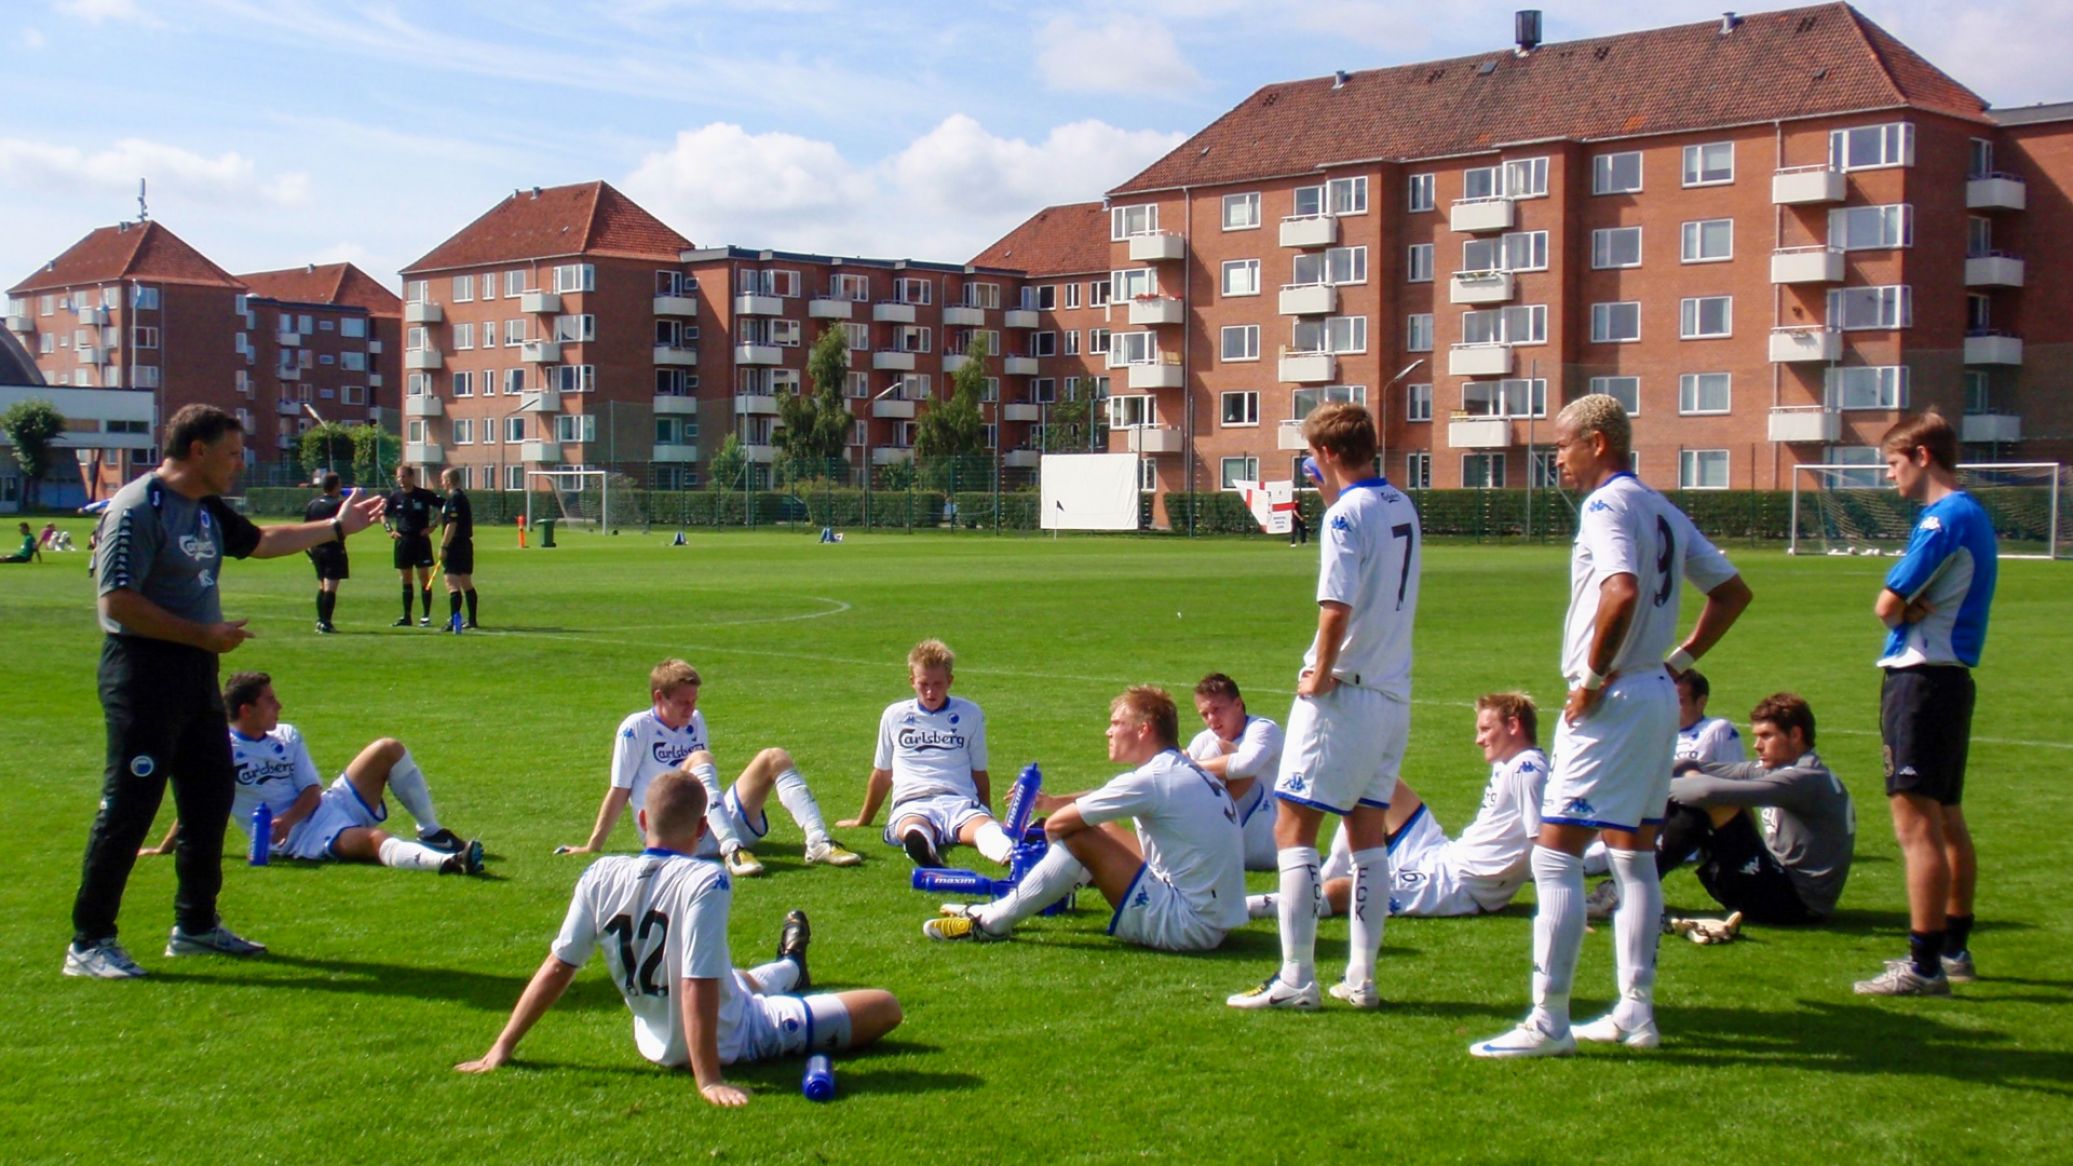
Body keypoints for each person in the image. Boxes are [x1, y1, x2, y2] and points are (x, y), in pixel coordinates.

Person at [1470, 394, 1750, 1057]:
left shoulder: (1606, 505)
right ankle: (1635, 1010)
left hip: (1614, 701)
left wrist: (1591, 680)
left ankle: (1548, 1019)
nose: (1555, 460)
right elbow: (1732, 591)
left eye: (1561, 447)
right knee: (1631, 853)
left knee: (1554, 853)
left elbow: (1619, 589)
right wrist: (1676, 662)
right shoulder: (1660, 505)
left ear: (1597, 442)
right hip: (1654, 693)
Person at [64, 403, 385, 979]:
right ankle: (89, 942)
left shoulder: (206, 507)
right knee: (129, 807)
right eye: (233, 453)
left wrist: (337, 527)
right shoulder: (138, 507)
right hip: (142, 675)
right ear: (197, 451)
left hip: (194, 676)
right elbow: (116, 603)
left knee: (209, 799)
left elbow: (261, 542)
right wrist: (203, 633)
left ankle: (195, 926)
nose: (241, 464)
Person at [460, 770, 903, 1105]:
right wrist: (708, 1077)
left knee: (736, 978)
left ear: (641, 819)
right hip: (735, 1035)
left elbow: (559, 965)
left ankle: (790, 967)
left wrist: (501, 1047)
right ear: (700, 830)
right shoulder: (705, 880)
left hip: (654, 1040)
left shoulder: (598, 873)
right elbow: (697, 983)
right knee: (884, 1006)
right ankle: (789, 970)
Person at [1228, 402, 1421, 1012]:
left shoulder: (1344, 520)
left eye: (1315, 454)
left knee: (1293, 826)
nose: (1312, 464)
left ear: (1330, 454)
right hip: (1393, 692)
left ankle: (1296, 977)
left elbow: (1335, 605)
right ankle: (1361, 977)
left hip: (1347, 694)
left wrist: (1321, 672)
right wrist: (1331, 499)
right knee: (1367, 832)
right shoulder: (1398, 503)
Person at [923, 685, 1246, 952]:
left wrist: (1066, 859)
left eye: (1117, 723)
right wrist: (1053, 805)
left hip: (1187, 925)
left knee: (1078, 835)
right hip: (1215, 920)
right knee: (1098, 826)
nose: (1108, 731)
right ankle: (1004, 907)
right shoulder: (1182, 770)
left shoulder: (1152, 779)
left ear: (1143, 729)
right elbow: (1106, 796)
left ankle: (992, 923)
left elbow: (1056, 825)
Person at [1855, 411, 1998, 996]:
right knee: (1947, 817)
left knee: (1915, 826)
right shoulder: (1975, 515)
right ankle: (1955, 948)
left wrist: (1901, 607)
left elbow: (1887, 604)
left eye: (1892, 463)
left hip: (1920, 681)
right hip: (1951, 679)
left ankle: (1923, 965)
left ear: (1920, 456)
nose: (1890, 476)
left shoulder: (1943, 518)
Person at [139, 671, 483, 875]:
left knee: (387, 749)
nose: (279, 706)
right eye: (270, 701)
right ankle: (449, 862)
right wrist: (165, 847)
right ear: (246, 710)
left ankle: (432, 832)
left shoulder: (287, 735)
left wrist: (287, 817)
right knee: (375, 840)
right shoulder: (221, 750)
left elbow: (312, 790)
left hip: (325, 807)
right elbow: (195, 801)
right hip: (301, 839)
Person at [1250, 692, 1548, 920]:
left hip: (1457, 884)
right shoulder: (1510, 763)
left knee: (1346, 891)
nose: (1478, 739)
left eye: (1485, 729)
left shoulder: (1527, 770)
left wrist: (1552, 911)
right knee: (1375, 779)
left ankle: (1249, 907)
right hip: (1444, 853)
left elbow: (1542, 843)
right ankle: (1330, 870)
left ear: (1513, 725)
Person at [558, 659, 860, 874]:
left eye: (694, 701)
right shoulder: (636, 728)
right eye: (683, 703)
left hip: (710, 822)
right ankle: (732, 851)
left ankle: (818, 842)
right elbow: (619, 789)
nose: (691, 709)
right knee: (701, 759)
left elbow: (704, 782)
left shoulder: (696, 720)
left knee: (774, 756)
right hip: (673, 831)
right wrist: (593, 845)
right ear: (658, 697)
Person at [1650, 693, 1854, 925]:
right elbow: (1693, 766)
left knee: (1710, 804)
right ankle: (1634, 882)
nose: (1757, 745)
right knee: (1697, 794)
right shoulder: (1781, 768)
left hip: (1798, 903)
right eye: (1756, 737)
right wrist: (1644, 773)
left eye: (1766, 736)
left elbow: (1705, 792)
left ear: (1795, 735)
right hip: (1778, 882)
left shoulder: (1804, 778)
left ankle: (1628, 885)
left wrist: (1646, 787)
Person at [838, 639, 1012, 867]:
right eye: (924, 684)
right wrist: (863, 820)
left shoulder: (970, 713)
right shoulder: (894, 715)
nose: (930, 692)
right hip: (912, 801)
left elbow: (979, 771)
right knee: (912, 826)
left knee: (985, 830)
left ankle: (1010, 856)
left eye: (938, 684)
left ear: (950, 681)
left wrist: (987, 812)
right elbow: (882, 774)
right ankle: (923, 850)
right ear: (912, 681)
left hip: (958, 800)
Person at [1183, 673, 1284, 871]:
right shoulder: (1203, 739)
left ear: (1238, 704)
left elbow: (1246, 765)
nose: (1212, 719)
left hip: (1268, 839)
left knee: (1221, 750)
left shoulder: (1263, 729)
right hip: (1229, 843)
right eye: (1205, 714)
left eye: (1217, 710)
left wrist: (1188, 765)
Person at [384, 465, 441, 627]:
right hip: (403, 541)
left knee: (424, 578)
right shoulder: (395, 496)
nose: (400, 480)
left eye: (403, 476)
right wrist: (390, 531)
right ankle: (406, 616)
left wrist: (433, 526)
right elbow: (384, 516)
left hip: (420, 541)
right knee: (405, 579)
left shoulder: (423, 495)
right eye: (398, 477)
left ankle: (425, 616)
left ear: (411, 477)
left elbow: (445, 507)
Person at [304, 473, 350, 634]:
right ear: (335, 486)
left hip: (316, 549)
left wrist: (309, 550)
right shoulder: (338, 505)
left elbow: (305, 529)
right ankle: (326, 622)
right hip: (333, 549)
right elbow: (343, 526)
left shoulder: (313, 504)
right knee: (330, 587)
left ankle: (320, 620)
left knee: (322, 586)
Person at [437, 467, 477, 632]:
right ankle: (472, 620)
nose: (441, 483)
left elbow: (452, 524)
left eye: (442, 479)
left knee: (451, 582)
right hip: (466, 545)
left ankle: (455, 620)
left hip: (456, 545)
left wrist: (444, 546)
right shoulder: (462, 498)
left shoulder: (454, 499)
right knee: (465, 582)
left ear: (448, 481)